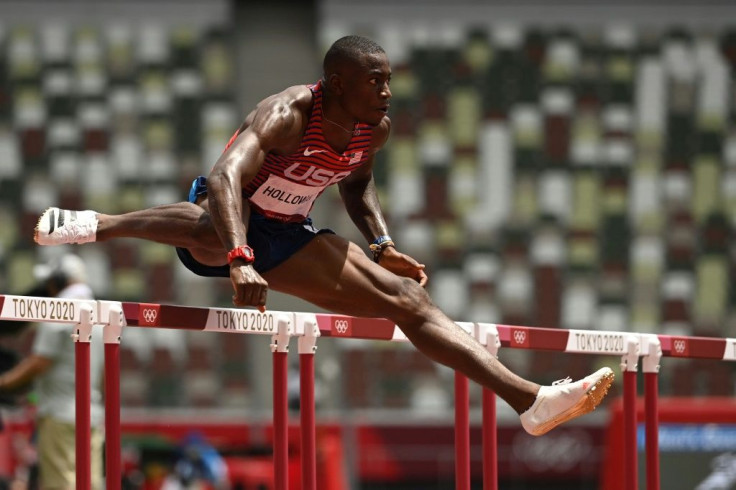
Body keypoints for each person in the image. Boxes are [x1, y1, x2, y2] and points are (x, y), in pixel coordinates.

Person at [33, 35, 613, 436]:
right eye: (374, 81)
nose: (386, 93)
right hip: (230, 217)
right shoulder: (287, 114)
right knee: (212, 222)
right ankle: (98, 224)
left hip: (288, 237)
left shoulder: (373, 130)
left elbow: (357, 187)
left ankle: (530, 402)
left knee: (408, 302)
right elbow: (225, 175)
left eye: (388, 82)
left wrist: (382, 245)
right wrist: (239, 256)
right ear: (337, 81)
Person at [0, 254, 104, 490]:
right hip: (91, 414)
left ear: (57, 281)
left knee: (61, 484)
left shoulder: (58, 313)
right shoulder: (100, 314)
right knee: (91, 483)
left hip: (59, 416)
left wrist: (3, 382)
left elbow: (38, 363)